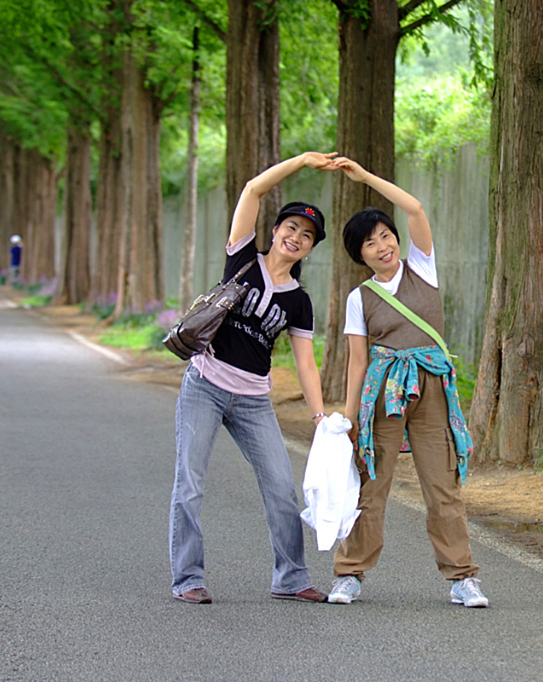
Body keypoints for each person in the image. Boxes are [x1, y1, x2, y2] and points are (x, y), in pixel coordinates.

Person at [169, 151, 337, 605]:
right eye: (290, 228)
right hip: (205, 384)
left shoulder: (299, 302)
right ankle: (188, 578)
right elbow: (252, 190)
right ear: (276, 230)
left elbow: (305, 363)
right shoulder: (243, 258)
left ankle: (290, 576)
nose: (296, 237)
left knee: (283, 488)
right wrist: (301, 161)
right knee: (190, 483)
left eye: (306, 235)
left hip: (253, 401)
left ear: (310, 248)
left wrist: (320, 416)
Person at [326, 157, 488, 608]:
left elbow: (415, 209)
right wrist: (352, 414)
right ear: (359, 256)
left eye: (385, 236)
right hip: (383, 393)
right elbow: (357, 361)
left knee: (443, 485)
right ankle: (349, 573)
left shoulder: (423, 269)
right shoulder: (359, 298)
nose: (382, 246)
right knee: (370, 484)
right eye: (370, 244)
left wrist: (364, 179)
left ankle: (462, 576)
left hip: (431, 387)